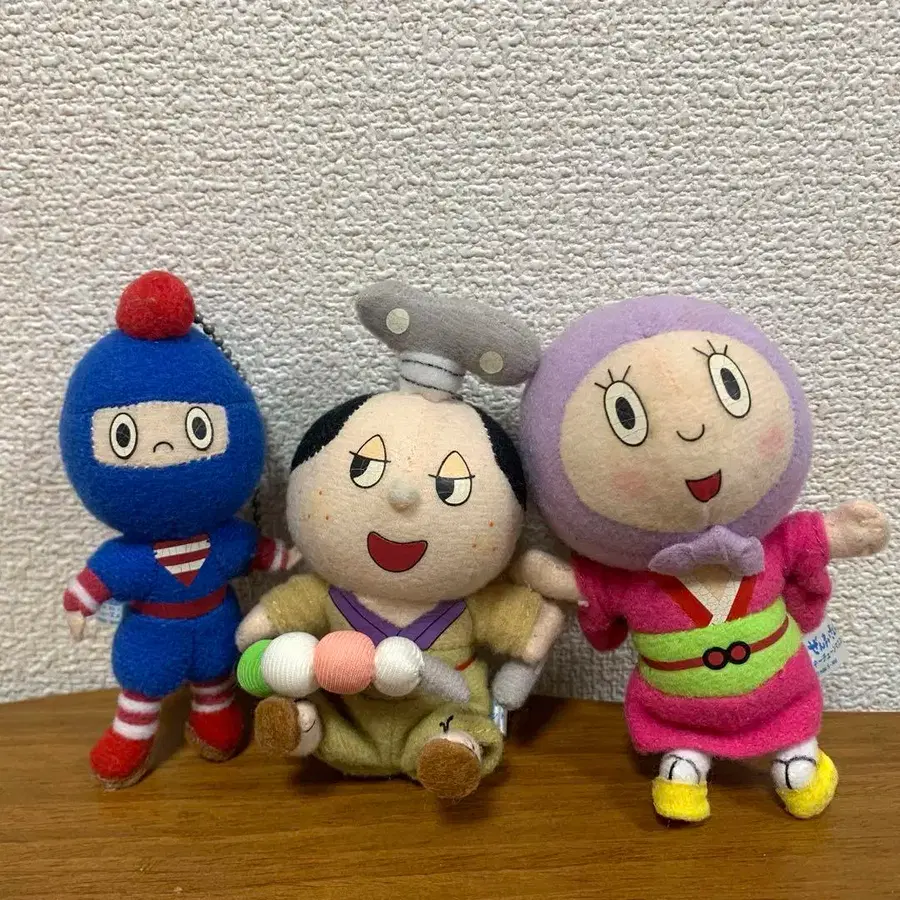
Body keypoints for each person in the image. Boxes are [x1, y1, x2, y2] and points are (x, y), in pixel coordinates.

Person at [515, 294, 888, 822]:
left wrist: (845, 533)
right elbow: (586, 587)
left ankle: (795, 753)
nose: (690, 432)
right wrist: (547, 575)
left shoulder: (770, 545)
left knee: (793, 738)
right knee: (682, 752)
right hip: (677, 712)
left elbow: (813, 538)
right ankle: (686, 757)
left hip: (784, 695)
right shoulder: (631, 576)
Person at [236, 281, 564, 799]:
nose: (403, 496)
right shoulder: (328, 593)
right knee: (315, 712)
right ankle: (305, 729)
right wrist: (260, 636)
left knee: (455, 726)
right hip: (349, 709)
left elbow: (534, 625)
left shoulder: (472, 602)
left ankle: (453, 751)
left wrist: (529, 655)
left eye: (450, 487)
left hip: (439, 710)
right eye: (364, 468)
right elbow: (267, 623)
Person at [60, 271, 297, 788]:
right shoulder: (131, 557)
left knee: (217, 682)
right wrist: (80, 603)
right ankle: (131, 738)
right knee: (141, 692)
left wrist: (289, 557)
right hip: (151, 637)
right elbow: (100, 579)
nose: (166, 449)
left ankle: (215, 720)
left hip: (215, 629)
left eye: (197, 429)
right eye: (125, 436)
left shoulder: (224, 539)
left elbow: (254, 550)